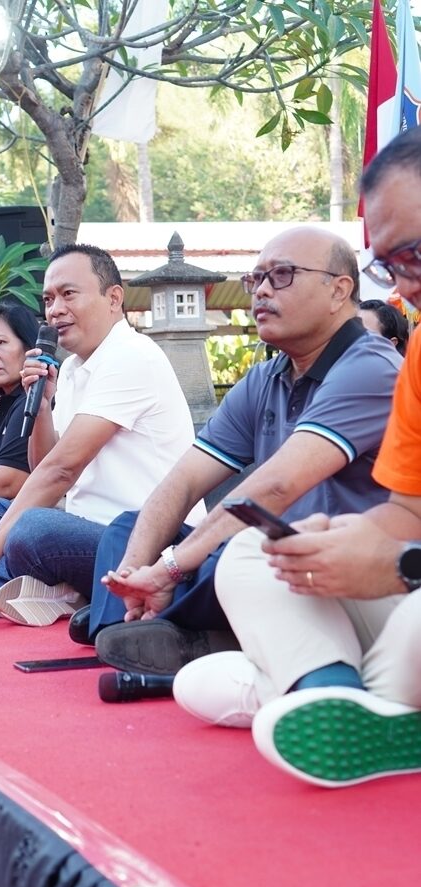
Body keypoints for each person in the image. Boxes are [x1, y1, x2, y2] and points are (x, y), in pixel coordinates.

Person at [176, 125, 421, 788]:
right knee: (253, 552)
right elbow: (407, 515)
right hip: (402, 590)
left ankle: (328, 694)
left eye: (416, 254)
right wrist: (342, 539)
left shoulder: (369, 364)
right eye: (391, 266)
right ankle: (334, 695)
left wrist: (399, 564)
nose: (403, 289)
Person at [89, 226, 401, 681]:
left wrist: (169, 569)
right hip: (271, 557)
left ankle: (168, 632)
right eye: (257, 279)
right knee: (128, 529)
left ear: (339, 290)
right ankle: (140, 623)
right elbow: (184, 481)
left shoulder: (369, 366)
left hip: (338, 569)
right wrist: (136, 574)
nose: (262, 291)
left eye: (282, 275)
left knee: (239, 553)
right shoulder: (266, 378)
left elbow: (275, 487)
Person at [0, 242, 204, 630]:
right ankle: (43, 587)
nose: (55, 309)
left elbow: (61, 470)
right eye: (48, 299)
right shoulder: (73, 368)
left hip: (145, 541)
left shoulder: (131, 355)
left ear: (114, 298)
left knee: (33, 528)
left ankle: (13, 582)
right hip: (83, 528)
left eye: (68, 294)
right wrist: (42, 405)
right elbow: (44, 465)